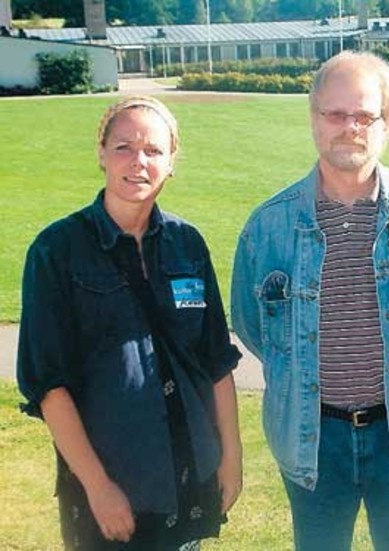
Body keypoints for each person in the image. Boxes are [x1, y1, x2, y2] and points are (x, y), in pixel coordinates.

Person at [230, 50, 389, 551]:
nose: (350, 127)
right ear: (314, 118)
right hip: (311, 440)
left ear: (387, 124)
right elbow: (252, 325)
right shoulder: (267, 226)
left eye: (365, 115)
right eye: (336, 114)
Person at [16, 96, 243, 550]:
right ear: (100, 153)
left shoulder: (187, 244)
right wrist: (98, 487)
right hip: (111, 489)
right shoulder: (57, 251)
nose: (139, 162)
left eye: (154, 151)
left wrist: (231, 459)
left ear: (172, 162)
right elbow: (48, 385)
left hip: (188, 478)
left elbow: (216, 360)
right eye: (124, 147)